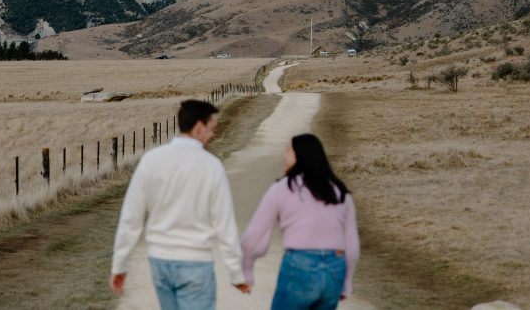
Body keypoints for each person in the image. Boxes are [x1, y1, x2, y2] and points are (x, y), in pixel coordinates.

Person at [111, 99, 251, 310]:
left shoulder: (151, 160)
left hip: (160, 263)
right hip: (195, 262)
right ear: (199, 128)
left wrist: (119, 266)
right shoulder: (211, 166)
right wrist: (236, 273)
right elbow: (225, 225)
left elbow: (131, 218)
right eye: (211, 128)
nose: (213, 134)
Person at [241, 133, 359, 310]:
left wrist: (247, 271)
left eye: (288, 151)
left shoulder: (282, 188)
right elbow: (352, 246)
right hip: (335, 268)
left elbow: (253, 237)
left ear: (299, 156)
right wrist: (347, 282)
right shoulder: (340, 192)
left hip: (300, 264)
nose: (284, 155)